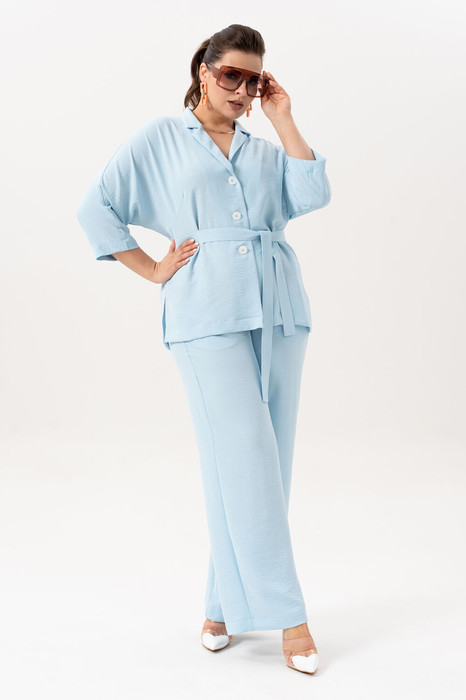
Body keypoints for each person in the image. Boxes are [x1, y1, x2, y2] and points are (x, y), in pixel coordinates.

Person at [76, 23, 331, 675]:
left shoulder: (262, 149)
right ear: (204, 71)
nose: (241, 89)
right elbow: (96, 207)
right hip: (205, 313)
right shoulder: (159, 138)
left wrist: (283, 117)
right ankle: (289, 616)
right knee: (245, 455)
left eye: (254, 80)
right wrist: (152, 269)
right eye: (231, 75)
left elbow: (312, 195)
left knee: (265, 464)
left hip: (279, 310)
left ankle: (221, 606)